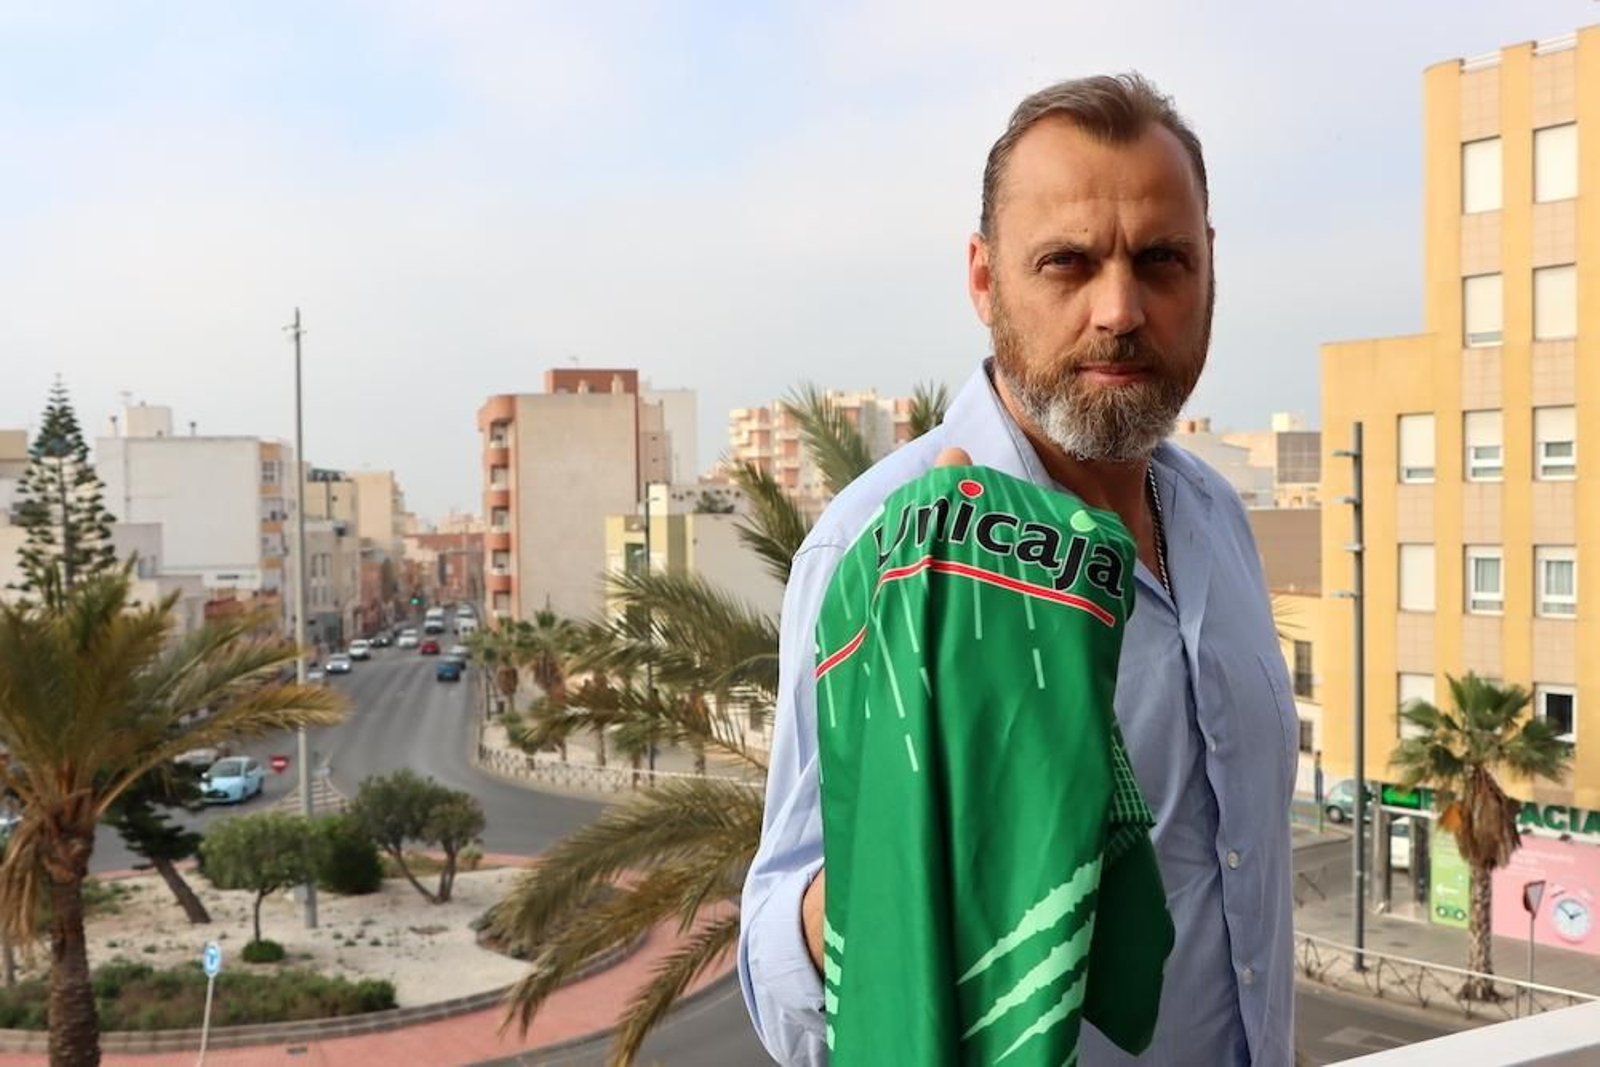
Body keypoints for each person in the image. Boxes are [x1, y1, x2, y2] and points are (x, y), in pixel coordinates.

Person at [739, 74, 1296, 1066]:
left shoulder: (1216, 518)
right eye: (1067, 263)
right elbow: (777, 981)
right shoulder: (880, 552)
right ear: (984, 279)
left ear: (1208, 268)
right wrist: (906, 844)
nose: (1119, 309)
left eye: (1160, 261)